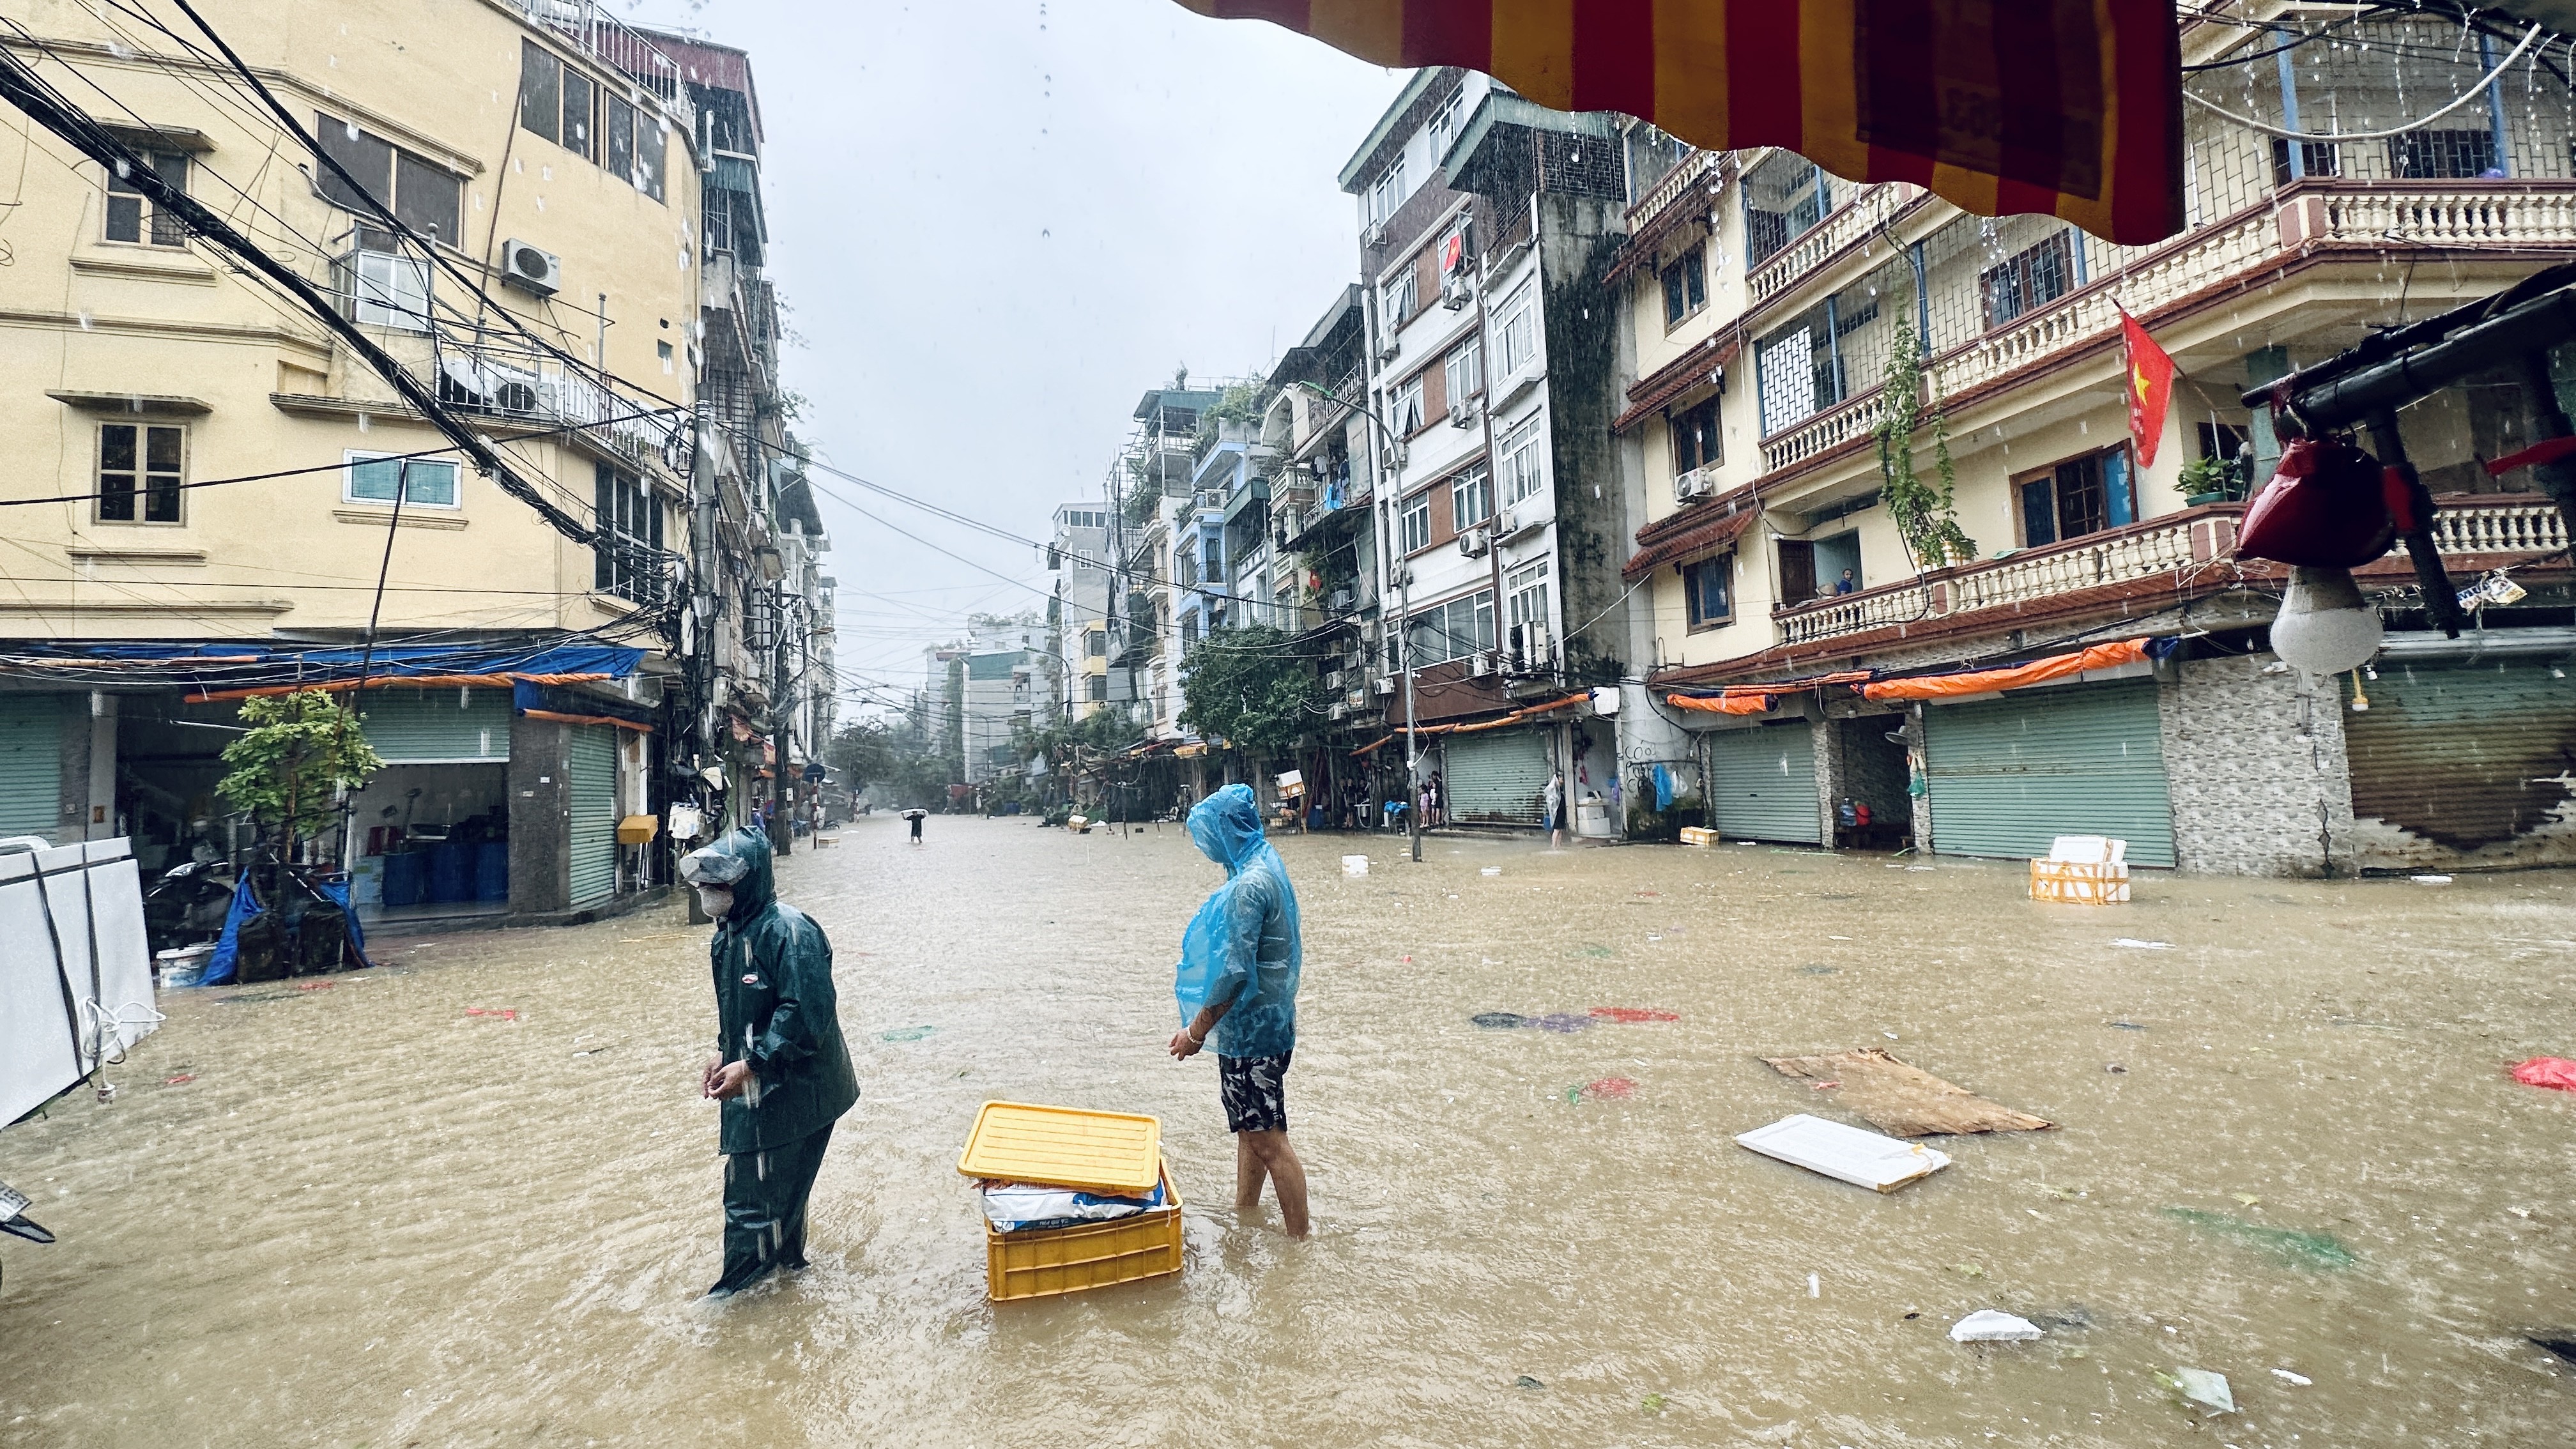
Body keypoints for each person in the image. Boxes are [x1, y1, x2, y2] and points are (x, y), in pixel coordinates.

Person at [678, 829, 859, 1299]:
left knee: (752, 1199)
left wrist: (752, 1064)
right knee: (778, 1197)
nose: (709, 892)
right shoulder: (730, 934)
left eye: (721, 883)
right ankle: (785, 1278)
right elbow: (741, 1008)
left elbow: (803, 1016)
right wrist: (725, 1052)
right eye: (707, 882)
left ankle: (733, 1305)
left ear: (748, 883)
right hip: (770, 1082)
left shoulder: (790, 933)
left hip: (796, 1088)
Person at [1165, 784, 1309, 1238]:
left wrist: (1196, 1031)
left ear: (1227, 830)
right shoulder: (1266, 863)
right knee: (1254, 1131)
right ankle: (1245, 1212)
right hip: (1271, 1023)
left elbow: (1233, 972)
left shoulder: (1249, 886)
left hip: (1254, 1034)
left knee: (1270, 1140)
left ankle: (1300, 1244)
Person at [1544, 769, 1565, 850]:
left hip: (1562, 812)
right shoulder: (1555, 789)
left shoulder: (1559, 789)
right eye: (1560, 777)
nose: (1562, 778)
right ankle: (1553, 846)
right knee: (1557, 829)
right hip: (1558, 812)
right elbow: (1552, 800)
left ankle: (1559, 846)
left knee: (1560, 830)